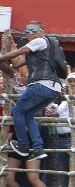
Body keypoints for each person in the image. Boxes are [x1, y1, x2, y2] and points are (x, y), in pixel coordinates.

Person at [0, 20, 67, 159]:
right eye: (28, 31)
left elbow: (18, 53)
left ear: (42, 32)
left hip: (41, 84)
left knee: (17, 110)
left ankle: (23, 145)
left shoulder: (40, 41)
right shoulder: (38, 48)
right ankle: (38, 148)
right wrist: (12, 45)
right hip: (52, 88)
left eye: (34, 31)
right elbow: (17, 63)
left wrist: (3, 56)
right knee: (29, 115)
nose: (30, 33)